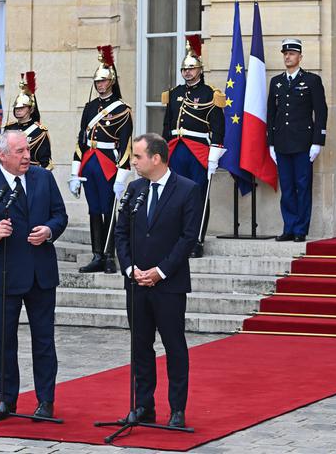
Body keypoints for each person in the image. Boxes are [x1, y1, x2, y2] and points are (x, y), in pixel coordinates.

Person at [0, 130, 68, 422]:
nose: (27, 156)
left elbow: (60, 215)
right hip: (5, 275)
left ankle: (45, 401)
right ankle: (6, 401)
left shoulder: (43, 178)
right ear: (3, 156)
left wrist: (49, 230)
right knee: (4, 342)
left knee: (44, 341)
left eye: (28, 150)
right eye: (21, 151)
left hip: (41, 274)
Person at [115, 133, 200, 430]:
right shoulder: (134, 189)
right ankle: (143, 405)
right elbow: (121, 233)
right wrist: (130, 269)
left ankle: (177, 409)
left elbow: (188, 238)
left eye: (137, 157)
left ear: (156, 158)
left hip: (169, 284)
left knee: (174, 346)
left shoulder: (187, 190)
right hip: (136, 282)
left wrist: (160, 271)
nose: (133, 162)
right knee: (140, 346)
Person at [69, 46, 132, 273]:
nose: (100, 85)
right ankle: (97, 254)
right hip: (90, 163)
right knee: (94, 210)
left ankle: (109, 255)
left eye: (103, 81)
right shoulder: (90, 107)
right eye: (97, 82)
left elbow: (126, 145)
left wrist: (121, 175)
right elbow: (81, 139)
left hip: (108, 163)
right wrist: (75, 173)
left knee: (108, 209)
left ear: (111, 82)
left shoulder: (122, 109)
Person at [162, 37, 225, 257]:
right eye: (184, 69)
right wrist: (162, 153)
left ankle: (196, 240)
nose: (187, 73)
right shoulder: (174, 93)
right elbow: (166, 126)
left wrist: (214, 156)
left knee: (198, 196)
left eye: (191, 69)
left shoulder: (210, 94)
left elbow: (218, 128)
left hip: (198, 151)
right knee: (175, 195)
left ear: (200, 70)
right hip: (176, 149)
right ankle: (178, 237)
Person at [267, 38, 328, 243]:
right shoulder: (276, 81)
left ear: (300, 57)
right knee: (287, 187)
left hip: (303, 143)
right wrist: (271, 143)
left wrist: (317, 141)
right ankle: (289, 227)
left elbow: (321, 111)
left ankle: (301, 229)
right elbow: (271, 113)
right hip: (282, 143)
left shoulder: (311, 80)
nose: (287, 56)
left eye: (292, 53)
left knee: (302, 186)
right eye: (285, 53)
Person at [4, 72, 53, 169]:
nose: (18, 110)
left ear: (30, 109)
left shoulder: (39, 131)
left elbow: (45, 162)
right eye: (17, 108)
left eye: (22, 108)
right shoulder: (9, 128)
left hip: (31, 173)